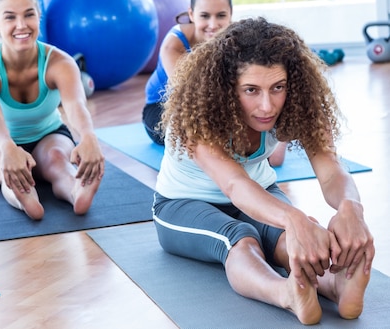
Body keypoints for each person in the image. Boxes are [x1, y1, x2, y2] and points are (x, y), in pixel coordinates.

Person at [153, 17, 375, 325]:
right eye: (251, 90)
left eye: (278, 87)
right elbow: (234, 185)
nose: (267, 105)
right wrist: (293, 217)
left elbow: (331, 170)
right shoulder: (198, 116)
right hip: (181, 204)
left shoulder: (299, 105)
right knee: (240, 237)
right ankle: (286, 293)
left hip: (259, 192)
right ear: (227, 88)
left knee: (289, 235)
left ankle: (336, 285)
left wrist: (351, 207)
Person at [0, 0, 105, 220]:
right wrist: (9, 149)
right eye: (10, 17)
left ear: (38, 16)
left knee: (57, 161)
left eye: (29, 14)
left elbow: (75, 106)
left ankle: (76, 191)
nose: (21, 25)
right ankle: (23, 196)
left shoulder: (59, 62)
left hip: (48, 135)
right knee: (5, 168)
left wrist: (88, 137)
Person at [142, 0, 233, 145]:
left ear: (230, 15)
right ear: (191, 14)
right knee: (199, 132)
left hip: (212, 106)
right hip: (163, 108)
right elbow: (186, 96)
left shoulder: (235, 39)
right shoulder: (174, 45)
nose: (213, 25)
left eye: (221, 15)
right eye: (205, 16)